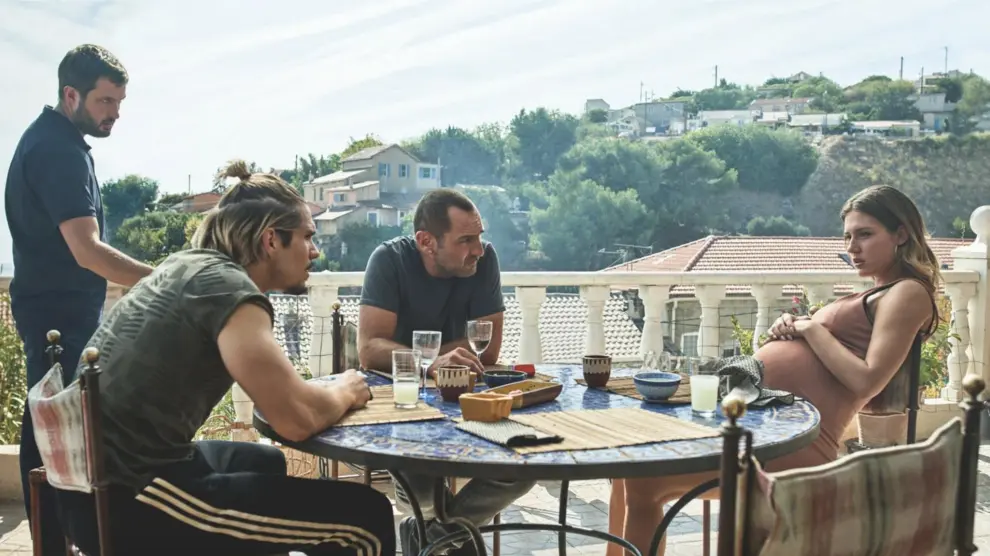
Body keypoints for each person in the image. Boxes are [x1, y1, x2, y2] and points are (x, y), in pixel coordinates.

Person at [39, 161, 394, 555]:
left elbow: (280, 396)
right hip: (130, 501)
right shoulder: (230, 292)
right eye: (307, 237)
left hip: (87, 488)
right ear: (271, 240)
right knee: (367, 517)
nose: (315, 251)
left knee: (263, 462)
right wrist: (347, 389)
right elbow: (295, 420)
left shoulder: (184, 266)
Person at [607, 185, 942, 556]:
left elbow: (867, 379)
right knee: (627, 467)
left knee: (643, 481)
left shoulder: (907, 292)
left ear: (901, 234)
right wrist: (794, 327)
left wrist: (811, 328)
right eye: (847, 236)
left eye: (865, 234)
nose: (852, 248)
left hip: (789, 446)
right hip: (757, 429)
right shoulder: (875, 292)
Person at [4, 44, 153, 555]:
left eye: (119, 102)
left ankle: (54, 544)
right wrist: (162, 279)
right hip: (56, 316)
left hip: (54, 310)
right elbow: (87, 251)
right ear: (71, 95)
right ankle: (54, 545)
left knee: (48, 430)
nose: (115, 113)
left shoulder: (52, 141)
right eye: (105, 101)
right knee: (52, 436)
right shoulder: (57, 151)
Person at [358, 188, 535, 555]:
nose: (479, 249)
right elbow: (370, 349)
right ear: (426, 241)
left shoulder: (484, 261)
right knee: (423, 491)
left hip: (469, 403)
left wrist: (416, 355)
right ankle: (446, 538)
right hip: (404, 407)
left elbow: (487, 347)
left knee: (527, 461)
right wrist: (431, 362)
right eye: (466, 240)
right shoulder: (389, 261)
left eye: (480, 236)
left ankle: (430, 538)